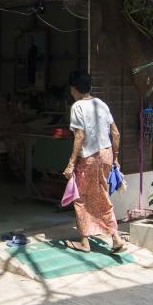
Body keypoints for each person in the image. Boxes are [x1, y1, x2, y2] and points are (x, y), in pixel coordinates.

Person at [62, 70, 126, 253]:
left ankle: (85, 241)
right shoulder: (101, 104)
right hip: (106, 154)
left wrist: (71, 163)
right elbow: (116, 133)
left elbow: (79, 135)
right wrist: (116, 157)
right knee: (102, 195)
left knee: (80, 198)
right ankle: (115, 237)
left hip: (89, 158)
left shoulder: (77, 107)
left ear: (73, 88)